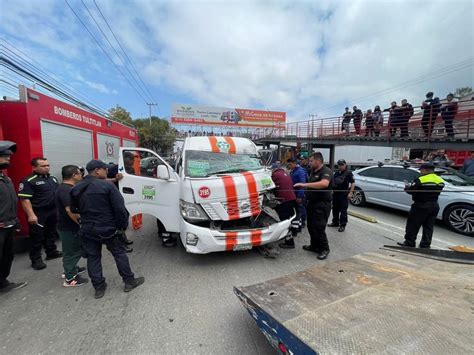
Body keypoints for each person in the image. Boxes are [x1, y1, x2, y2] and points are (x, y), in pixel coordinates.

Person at [70, 159, 144, 299]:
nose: (107, 171)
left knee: (93, 258)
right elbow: (120, 209)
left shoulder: (76, 188)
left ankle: (99, 288)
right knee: (119, 253)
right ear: (97, 170)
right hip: (108, 228)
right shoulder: (107, 186)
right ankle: (129, 281)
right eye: (105, 169)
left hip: (88, 228)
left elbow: (74, 208)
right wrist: (122, 227)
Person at [19, 157, 62, 270]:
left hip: (52, 211)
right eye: (43, 166)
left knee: (51, 233)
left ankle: (51, 252)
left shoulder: (52, 179)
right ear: (34, 167)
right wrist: (31, 215)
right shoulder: (28, 180)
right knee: (37, 237)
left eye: (48, 165)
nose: (47, 167)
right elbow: (24, 200)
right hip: (38, 212)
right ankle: (36, 259)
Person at [294, 152, 333, 260]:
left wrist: (305, 185)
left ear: (318, 160)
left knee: (319, 227)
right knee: (311, 226)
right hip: (311, 202)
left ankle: (325, 249)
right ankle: (314, 245)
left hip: (322, 204)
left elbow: (324, 184)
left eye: (311, 161)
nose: (309, 163)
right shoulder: (312, 170)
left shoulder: (326, 171)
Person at [0, 141, 27, 293]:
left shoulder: (5, 178)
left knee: (7, 256)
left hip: (8, 225)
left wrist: (15, 220)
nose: (8, 158)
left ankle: (2, 283)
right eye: (4, 156)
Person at [398, 163, 445, 248]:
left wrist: (407, 188)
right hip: (434, 205)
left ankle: (409, 243)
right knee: (428, 227)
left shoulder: (421, 179)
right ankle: (425, 245)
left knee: (413, 225)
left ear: (425, 170)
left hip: (421, 205)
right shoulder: (440, 179)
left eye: (421, 170)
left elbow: (412, 191)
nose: (420, 171)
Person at [56, 165, 88, 287]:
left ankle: (71, 269)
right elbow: (70, 210)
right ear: (74, 175)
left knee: (72, 249)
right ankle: (70, 278)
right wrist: (80, 223)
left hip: (67, 225)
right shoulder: (66, 190)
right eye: (80, 174)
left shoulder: (67, 187)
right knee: (72, 251)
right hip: (68, 226)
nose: (81, 176)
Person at [107, 163, 133, 253]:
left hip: (123, 196)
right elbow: (105, 180)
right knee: (118, 222)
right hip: (113, 199)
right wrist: (115, 179)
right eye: (130, 160)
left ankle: (124, 239)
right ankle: (121, 245)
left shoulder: (128, 168)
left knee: (123, 217)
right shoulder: (114, 169)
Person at [328, 160, 355, 232]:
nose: (340, 166)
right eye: (339, 165)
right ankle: (335, 222)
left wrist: (351, 193)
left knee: (343, 210)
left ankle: (343, 225)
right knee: (335, 209)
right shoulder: (336, 173)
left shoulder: (348, 173)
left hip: (344, 193)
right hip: (336, 193)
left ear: (345, 165)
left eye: (342, 165)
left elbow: (353, 183)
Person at [287, 158, 307, 231]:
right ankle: (299, 225)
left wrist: (300, 196)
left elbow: (303, 184)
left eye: (290, 164)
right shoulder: (293, 171)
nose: (289, 166)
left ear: (294, 163)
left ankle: (302, 224)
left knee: (300, 210)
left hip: (299, 194)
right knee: (298, 210)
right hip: (295, 194)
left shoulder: (300, 171)